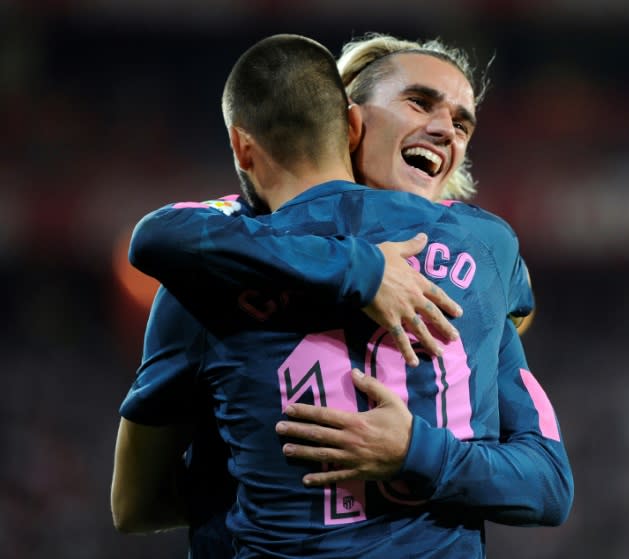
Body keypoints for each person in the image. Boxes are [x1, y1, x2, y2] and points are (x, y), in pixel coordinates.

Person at [112, 34, 571, 557]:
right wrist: (364, 269)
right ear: (349, 121)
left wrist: (401, 454)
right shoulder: (485, 249)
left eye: (462, 123)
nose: (446, 129)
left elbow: (136, 506)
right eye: (419, 102)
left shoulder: (209, 268)